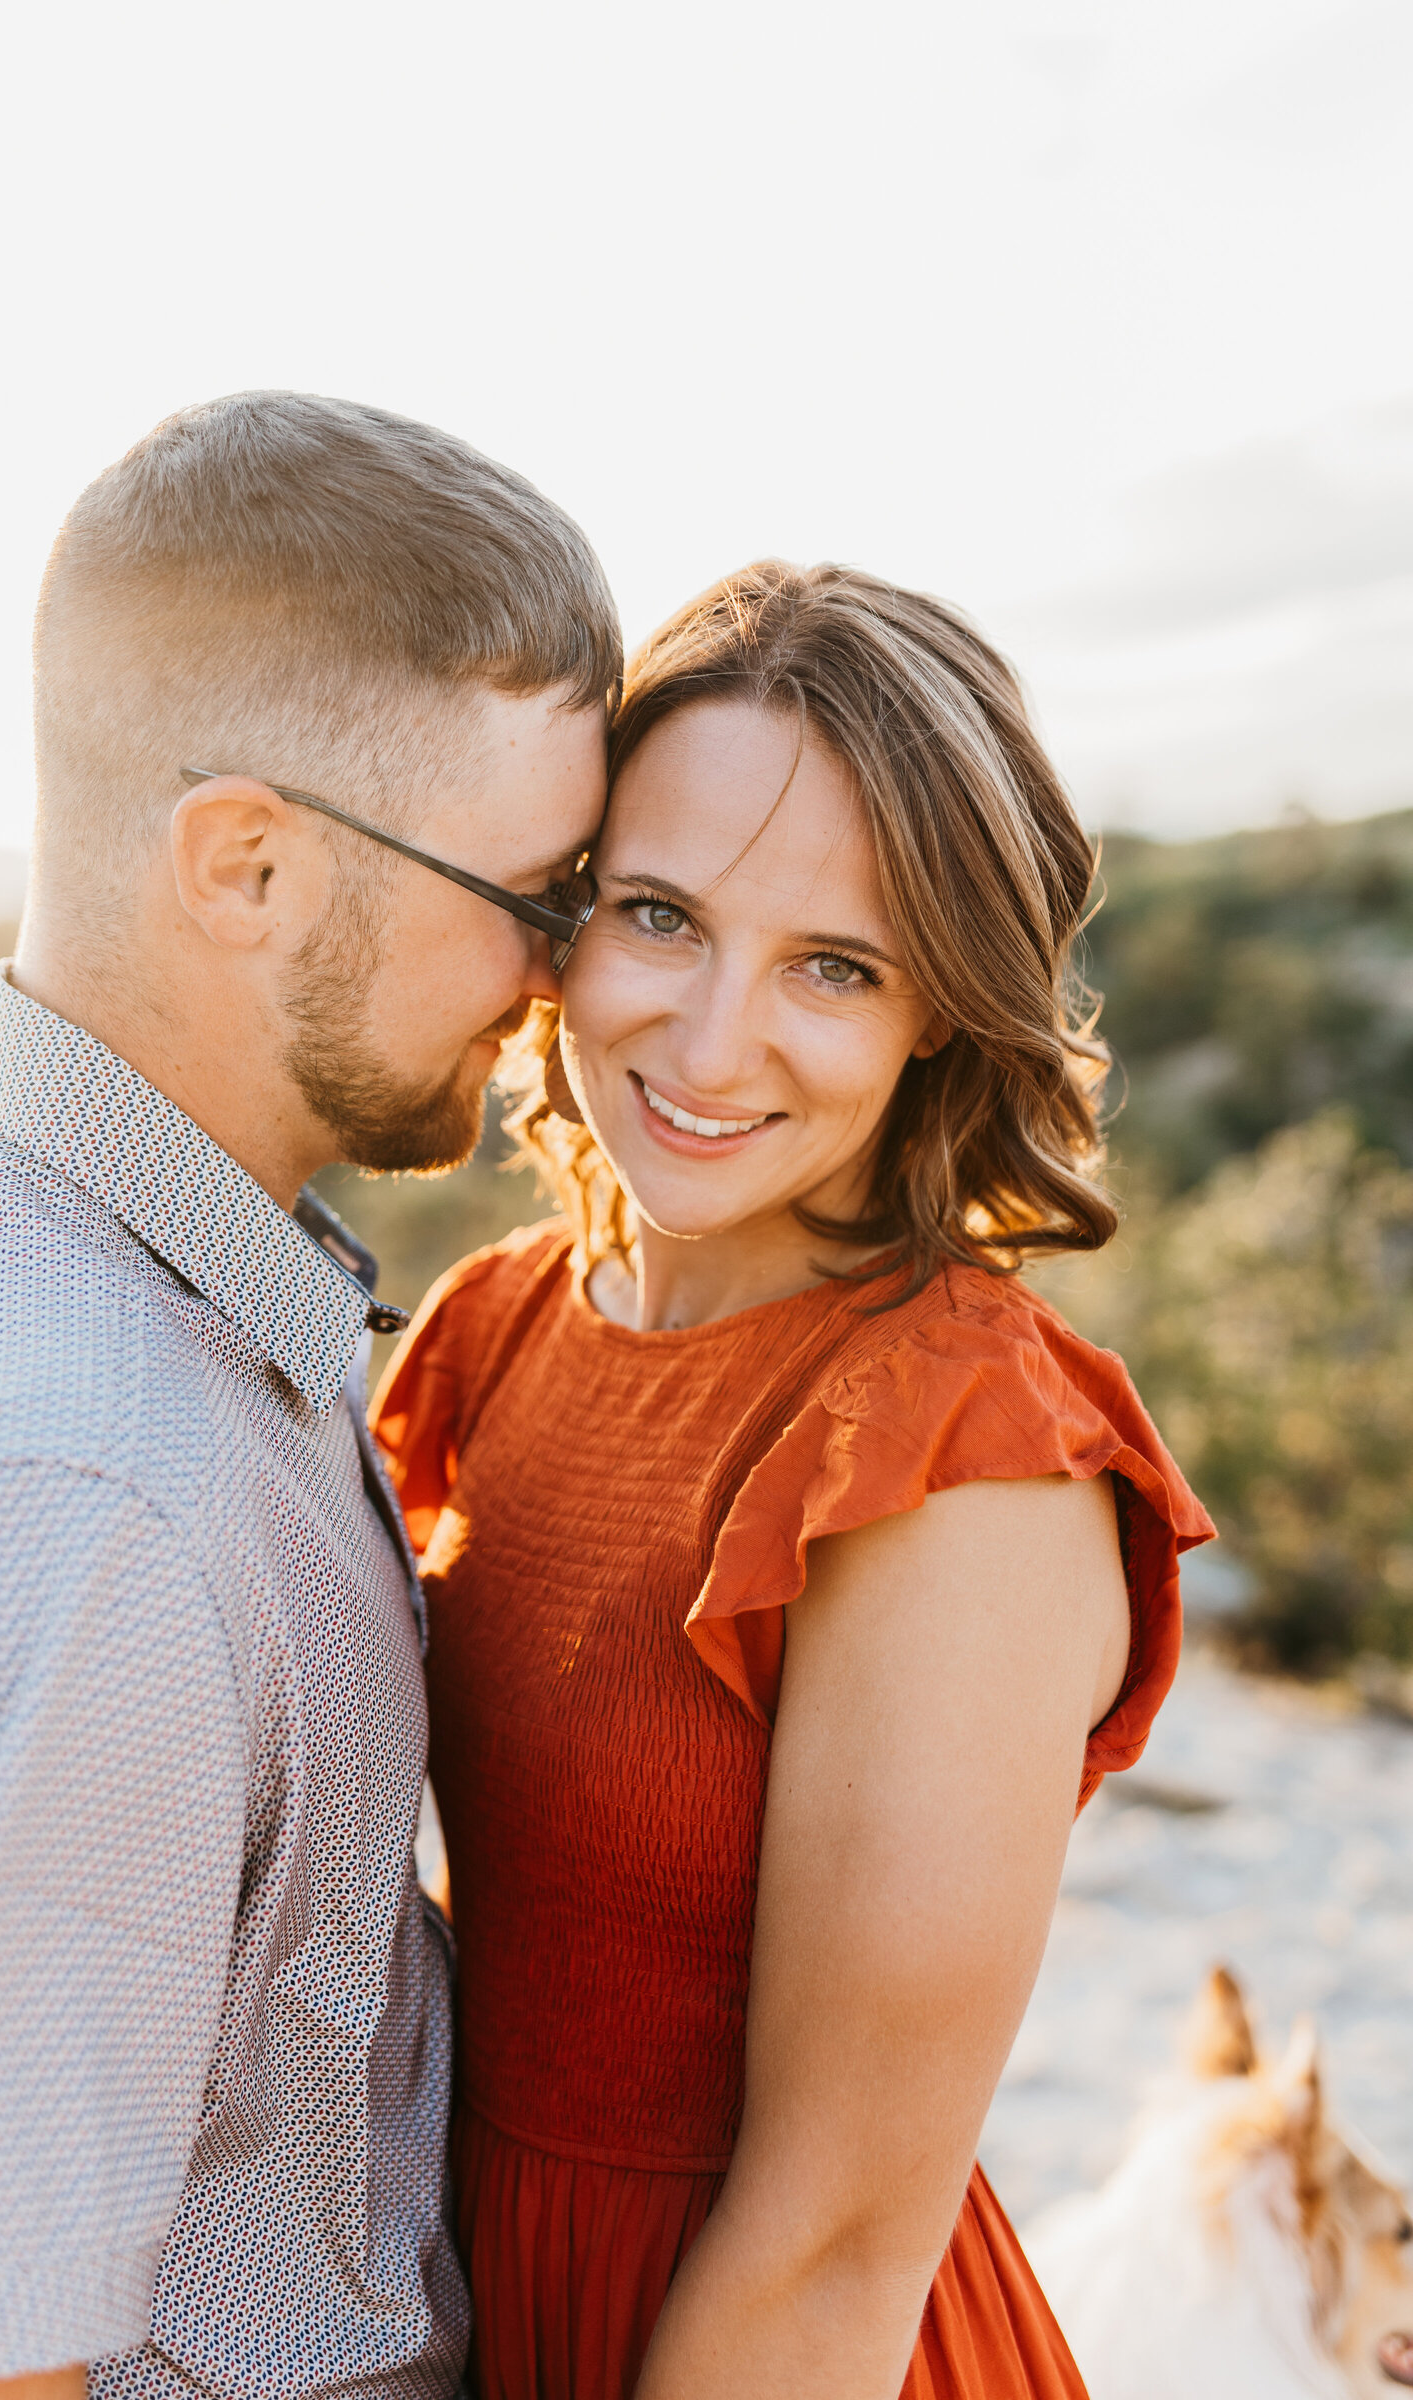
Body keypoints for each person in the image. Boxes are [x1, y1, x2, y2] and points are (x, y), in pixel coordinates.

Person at [0, 392, 620, 2400]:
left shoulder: (76, 1263)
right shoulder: (86, 1496)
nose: (561, 974)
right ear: (244, 865)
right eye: (535, 894)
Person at [371, 562, 1216, 2400]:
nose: (713, 1037)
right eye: (660, 917)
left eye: (837, 966)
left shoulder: (953, 1457)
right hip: (472, 2307)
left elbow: (837, 2248)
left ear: (943, 1016)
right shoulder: (496, 1328)